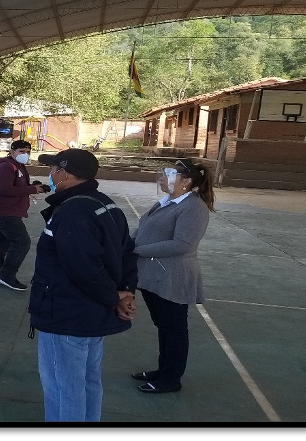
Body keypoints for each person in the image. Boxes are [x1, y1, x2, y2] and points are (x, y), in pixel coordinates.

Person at [28, 148, 138, 421]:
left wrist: (114, 297)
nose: (51, 175)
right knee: (87, 382)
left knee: (63, 388)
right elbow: (127, 252)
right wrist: (124, 291)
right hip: (91, 314)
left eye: (53, 169)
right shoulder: (105, 204)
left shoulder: (72, 212)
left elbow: (84, 268)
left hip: (67, 315)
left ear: (64, 173)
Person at [130, 158, 216, 394]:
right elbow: (145, 228)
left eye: (167, 175)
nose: (161, 178)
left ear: (185, 182)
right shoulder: (168, 201)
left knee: (174, 328)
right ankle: (163, 370)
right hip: (155, 274)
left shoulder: (193, 208)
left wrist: (136, 250)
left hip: (173, 276)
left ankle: (171, 379)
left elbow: (183, 244)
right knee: (164, 325)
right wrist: (128, 243)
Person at [0, 139, 44, 290]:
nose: (25, 154)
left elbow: (16, 186)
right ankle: (7, 275)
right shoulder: (5, 166)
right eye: (21, 151)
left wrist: (32, 187)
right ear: (12, 151)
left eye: (28, 152)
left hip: (7, 210)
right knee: (22, 242)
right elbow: (5, 189)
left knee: (1, 242)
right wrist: (32, 189)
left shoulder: (17, 166)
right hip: (3, 211)